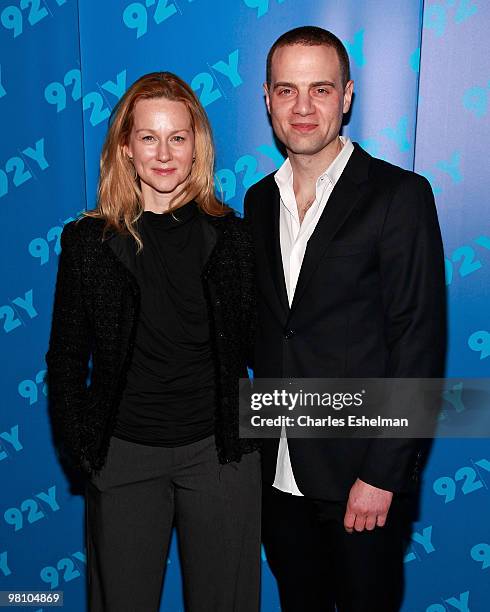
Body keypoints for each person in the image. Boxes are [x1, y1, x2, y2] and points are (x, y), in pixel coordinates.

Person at [244, 26, 446, 611]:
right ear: (267, 99)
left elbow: (418, 340)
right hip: (276, 471)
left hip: (361, 477)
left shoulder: (398, 195)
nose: (303, 108)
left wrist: (383, 473)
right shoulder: (257, 202)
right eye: (287, 90)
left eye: (321, 89)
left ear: (348, 96)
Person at [46, 72, 260, 612]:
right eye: (148, 137)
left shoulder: (234, 238)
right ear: (126, 147)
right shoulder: (87, 243)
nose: (163, 153)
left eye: (177, 137)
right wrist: (86, 452)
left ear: (197, 147)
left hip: (220, 459)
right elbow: (67, 357)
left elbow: (267, 344)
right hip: (123, 458)